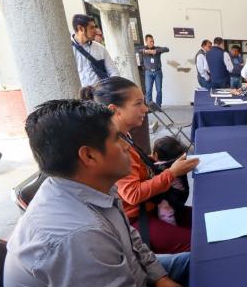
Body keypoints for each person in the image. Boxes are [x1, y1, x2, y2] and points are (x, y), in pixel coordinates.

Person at [4, 99, 189, 287]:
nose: (128, 146)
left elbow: (132, 239)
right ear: (89, 156)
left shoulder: (89, 186)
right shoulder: (77, 234)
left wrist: (160, 276)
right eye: (117, 139)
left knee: (197, 262)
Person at [80, 77, 198, 254]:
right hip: (137, 219)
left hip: (152, 206)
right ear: (115, 110)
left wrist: (158, 160)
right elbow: (132, 194)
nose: (145, 108)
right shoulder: (113, 147)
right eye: (138, 104)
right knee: (200, 245)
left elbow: (136, 167)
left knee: (204, 222)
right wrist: (171, 173)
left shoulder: (123, 136)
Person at [151, 136, 190, 226]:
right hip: (181, 195)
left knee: (166, 213)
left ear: (156, 155)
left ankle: (171, 227)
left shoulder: (158, 168)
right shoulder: (178, 163)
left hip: (168, 200)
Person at [71, 14, 119, 86]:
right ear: (80, 28)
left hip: (102, 94)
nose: (95, 31)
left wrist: (113, 88)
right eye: (92, 28)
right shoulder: (68, 52)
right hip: (81, 95)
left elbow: (113, 71)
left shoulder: (100, 48)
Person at [137, 34, 170, 107]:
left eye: (153, 41)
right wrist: (145, 51)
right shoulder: (144, 49)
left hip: (158, 72)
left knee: (159, 90)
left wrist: (156, 51)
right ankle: (149, 106)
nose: (152, 43)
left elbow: (167, 49)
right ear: (146, 41)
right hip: (148, 72)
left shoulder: (156, 48)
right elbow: (136, 49)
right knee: (148, 90)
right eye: (150, 41)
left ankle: (158, 106)